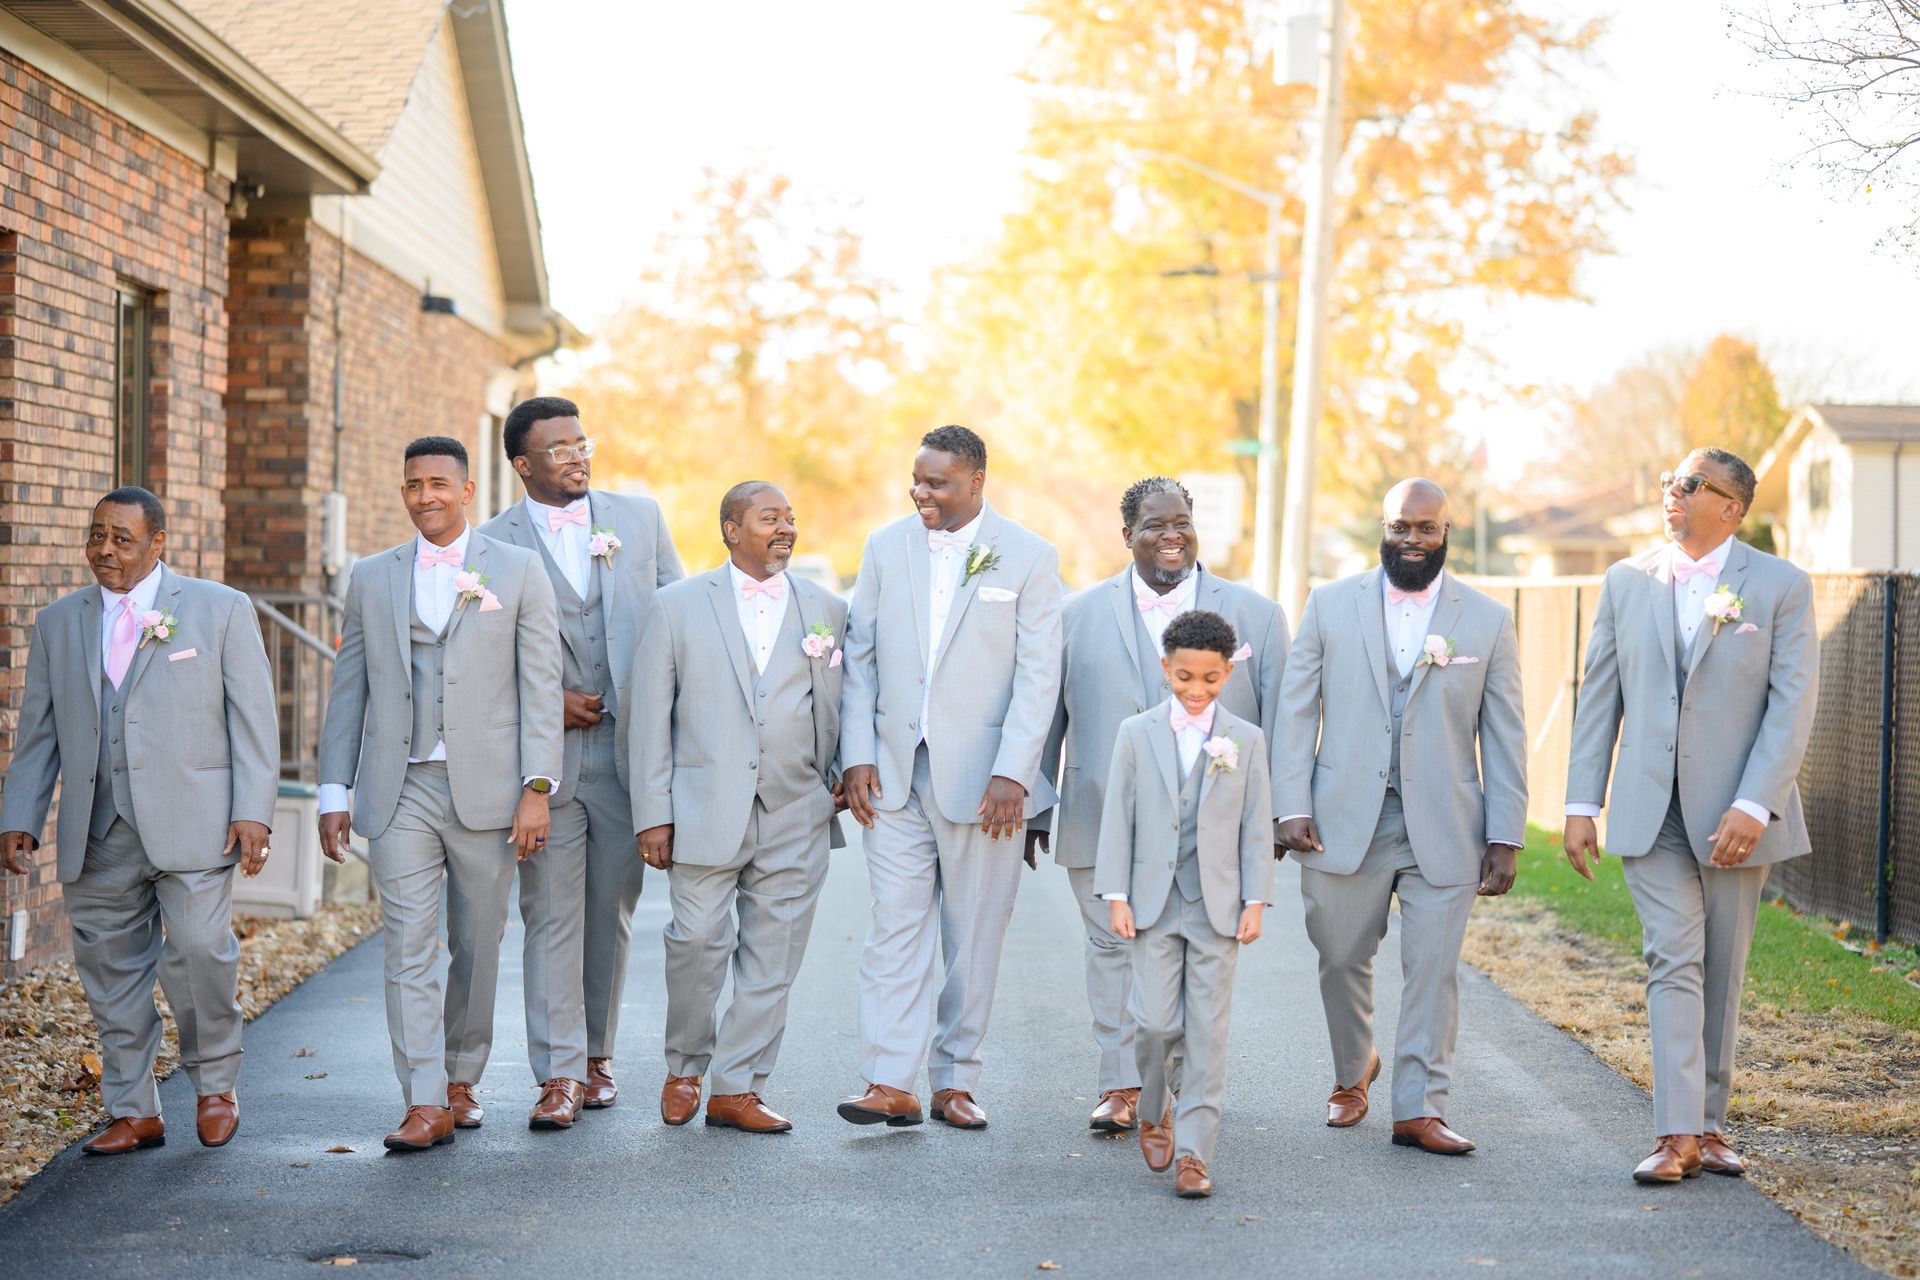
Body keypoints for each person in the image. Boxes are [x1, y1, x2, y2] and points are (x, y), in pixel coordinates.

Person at [1563, 448, 1818, 1185]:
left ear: (1732, 508)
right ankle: (1676, 1135)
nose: (1671, 493)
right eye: (1670, 482)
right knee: (1673, 959)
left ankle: (1709, 1125)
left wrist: (1754, 803)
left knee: (1723, 970)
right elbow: (1599, 695)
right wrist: (1581, 803)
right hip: (1650, 812)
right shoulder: (1625, 580)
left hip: (1737, 813)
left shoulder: (1781, 586)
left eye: (1690, 485)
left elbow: (1792, 704)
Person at [0, 487, 277, 1154]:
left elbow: (253, 719)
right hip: (98, 830)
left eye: (121, 538)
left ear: (158, 543)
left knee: (201, 951)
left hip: (196, 824)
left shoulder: (219, 609)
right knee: (110, 971)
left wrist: (253, 812)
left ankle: (215, 1085)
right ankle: (134, 1108)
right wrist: (21, 813)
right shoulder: (58, 622)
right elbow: (39, 731)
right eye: (97, 535)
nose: (105, 550)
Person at [316, 436, 563, 1151]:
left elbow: (541, 686)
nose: (425, 496)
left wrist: (537, 787)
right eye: (413, 485)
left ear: (465, 491)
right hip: (400, 786)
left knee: (477, 943)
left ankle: (461, 1076)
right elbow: (349, 689)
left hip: (490, 787)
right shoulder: (371, 576)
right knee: (408, 946)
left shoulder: (517, 570)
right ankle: (423, 1099)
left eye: (437, 484)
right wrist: (334, 790)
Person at [1275, 478, 1527, 1156]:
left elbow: (1505, 733)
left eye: (1425, 527)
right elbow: (1296, 710)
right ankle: (1353, 1068)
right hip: (1339, 818)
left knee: (1432, 970)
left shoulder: (1487, 619)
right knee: (1339, 956)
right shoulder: (1328, 605)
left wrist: (1505, 833)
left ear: (1446, 532)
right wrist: (1289, 804)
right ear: (1382, 529)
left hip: (1445, 822)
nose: (1411, 538)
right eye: (1399, 527)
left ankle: (1419, 1108)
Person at [1035, 476, 1289, 1132]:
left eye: (1181, 523)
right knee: (1110, 949)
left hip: (1212, 829)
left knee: (1193, 959)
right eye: (1155, 525)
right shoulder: (1074, 615)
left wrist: (1281, 812)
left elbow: (1283, 724)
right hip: (1100, 813)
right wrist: (1038, 804)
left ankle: (1183, 1087)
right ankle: (1122, 1086)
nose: (1171, 535)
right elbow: (1049, 714)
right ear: (1128, 536)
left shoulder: (1258, 616)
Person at [837, 425, 1063, 1130]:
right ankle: (889, 1080)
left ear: (976, 481)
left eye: (937, 482)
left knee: (974, 937)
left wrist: (1014, 773)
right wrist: (856, 753)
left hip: (988, 784)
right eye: (917, 479)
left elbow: (1039, 675)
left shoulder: (1029, 555)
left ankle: (955, 1080)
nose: (921, 492)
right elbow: (860, 657)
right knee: (893, 930)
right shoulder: (885, 546)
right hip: (893, 774)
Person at [479, 395, 684, 1121]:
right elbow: (477, 660)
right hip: (545, 762)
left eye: (581, 443)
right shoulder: (489, 545)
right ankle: (559, 1073)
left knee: (611, 913)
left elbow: (678, 620)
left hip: (630, 754)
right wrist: (545, 702)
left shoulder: (640, 520)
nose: (577, 457)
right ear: (522, 464)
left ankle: (598, 1055)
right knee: (551, 914)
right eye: (559, 448)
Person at [630, 482, 848, 1134]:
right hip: (701, 808)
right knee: (695, 942)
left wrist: (839, 776)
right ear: (731, 528)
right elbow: (648, 718)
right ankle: (685, 1065)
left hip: (796, 807)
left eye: (790, 518)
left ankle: (737, 1087)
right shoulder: (675, 606)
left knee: (773, 958)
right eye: (769, 518)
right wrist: (653, 814)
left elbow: (845, 700)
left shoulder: (827, 609)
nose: (786, 528)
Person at [1094, 610, 1274, 1199]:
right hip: (1152, 903)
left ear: (1227, 674)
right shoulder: (1135, 733)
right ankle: (1153, 1109)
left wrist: (1256, 900)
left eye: (1211, 679)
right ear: (1165, 669)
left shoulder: (1246, 739)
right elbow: (1118, 818)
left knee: (1207, 1033)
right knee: (1154, 1023)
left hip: (1217, 906)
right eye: (1185, 677)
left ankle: (1195, 1154)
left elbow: (1255, 826)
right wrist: (1116, 894)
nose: (1197, 690)